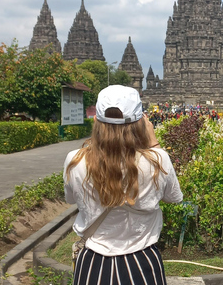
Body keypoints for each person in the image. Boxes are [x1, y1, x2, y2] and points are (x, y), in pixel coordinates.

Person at [64, 85, 183, 285]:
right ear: (142, 123)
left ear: (96, 121)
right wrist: (153, 143)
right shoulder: (157, 160)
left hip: (93, 263)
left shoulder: (75, 160)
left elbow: (70, 199)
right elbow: (174, 197)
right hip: (142, 263)